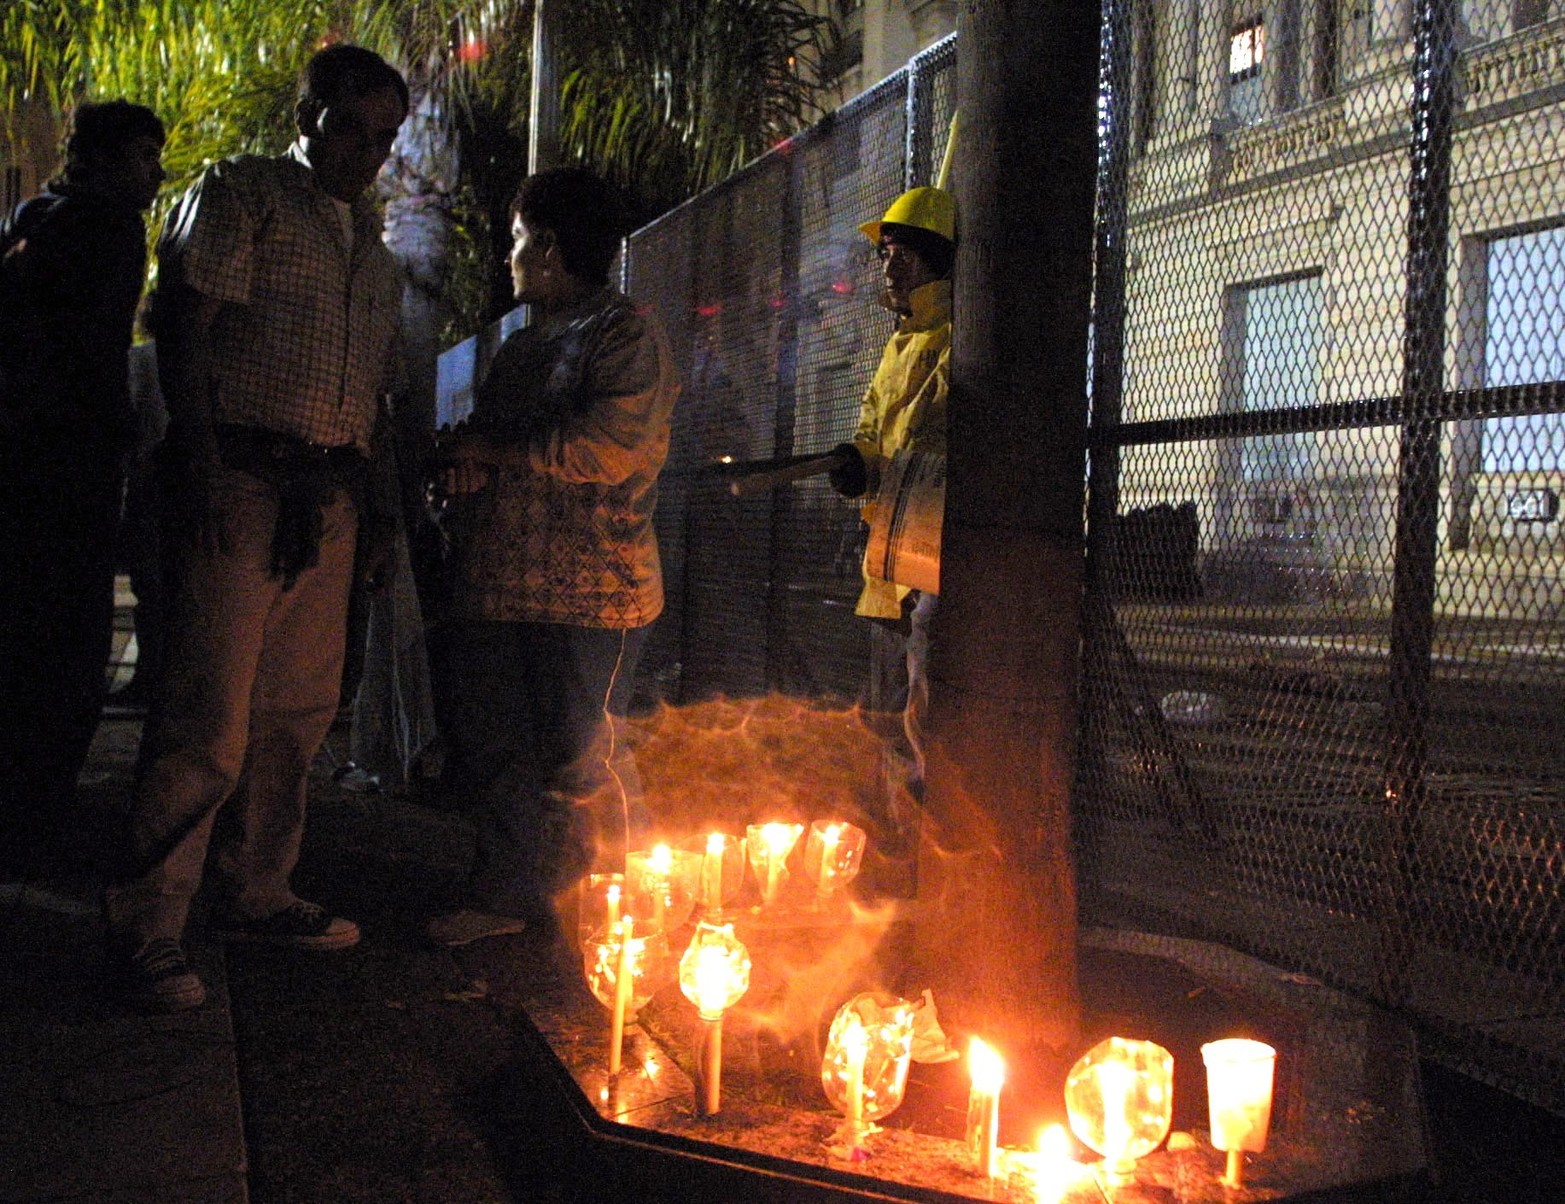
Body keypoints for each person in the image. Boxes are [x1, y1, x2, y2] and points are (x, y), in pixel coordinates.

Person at [102, 45, 407, 1012]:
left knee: (294, 716)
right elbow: (182, 326)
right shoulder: (243, 193)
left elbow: (375, 400)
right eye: (352, 125)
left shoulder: (376, 254)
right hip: (233, 481)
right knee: (206, 717)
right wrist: (192, 464)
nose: (368, 150)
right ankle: (149, 921)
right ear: (307, 113)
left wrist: (378, 517)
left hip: (328, 502)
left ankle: (256, 888)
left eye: (386, 135)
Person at [425, 166, 680, 947]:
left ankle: (616, 907)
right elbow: (492, 446)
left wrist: (494, 451)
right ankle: (507, 893)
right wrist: (466, 463)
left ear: (550, 245)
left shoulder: (624, 332)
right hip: (502, 582)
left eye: (516, 238)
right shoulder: (523, 343)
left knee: (585, 755)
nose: (508, 255)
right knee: (499, 750)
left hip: (594, 591)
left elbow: (605, 447)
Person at [0, 100, 166, 876]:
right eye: (142, 156)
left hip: (50, 453)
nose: (155, 174)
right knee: (62, 638)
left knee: (50, 634)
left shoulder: (49, 220)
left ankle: (33, 806)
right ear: (97, 160)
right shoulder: (89, 226)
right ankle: (38, 814)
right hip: (62, 457)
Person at [827, 186, 954, 865]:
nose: (886, 270)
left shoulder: (954, 340)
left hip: (931, 549)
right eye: (882, 257)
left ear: (934, 259)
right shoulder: (901, 345)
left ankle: (925, 849)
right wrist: (858, 467)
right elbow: (875, 433)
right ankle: (897, 842)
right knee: (886, 708)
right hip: (890, 549)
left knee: (924, 708)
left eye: (899, 255)